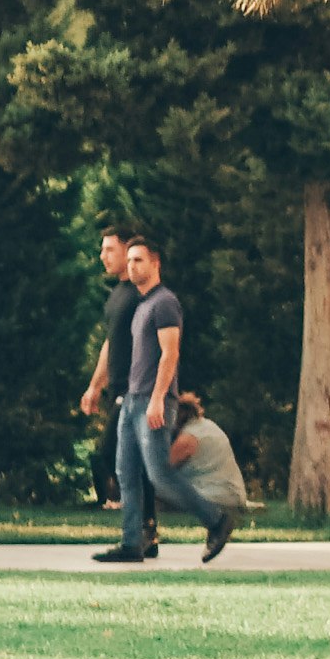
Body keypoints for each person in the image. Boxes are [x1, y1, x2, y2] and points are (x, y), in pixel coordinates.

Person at [91, 234, 237, 565]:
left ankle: (216, 521)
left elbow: (170, 354)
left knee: (159, 474)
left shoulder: (165, 302)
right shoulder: (141, 306)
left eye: (138, 259)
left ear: (155, 263)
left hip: (153, 402)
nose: (132, 265)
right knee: (125, 472)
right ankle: (132, 544)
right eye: (129, 260)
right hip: (131, 399)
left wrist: (158, 398)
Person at [77, 224, 138, 510]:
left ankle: (134, 516)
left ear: (128, 249)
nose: (103, 256)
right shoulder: (118, 294)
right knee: (118, 455)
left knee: (112, 452)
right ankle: (143, 526)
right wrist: (94, 386)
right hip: (116, 387)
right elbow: (110, 343)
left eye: (110, 249)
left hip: (135, 388)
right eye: (102, 250)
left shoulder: (141, 294)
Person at [166, 390, 248, 551]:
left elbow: (161, 470)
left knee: (158, 490)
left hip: (216, 495)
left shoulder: (187, 439)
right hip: (232, 492)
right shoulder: (207, 425)